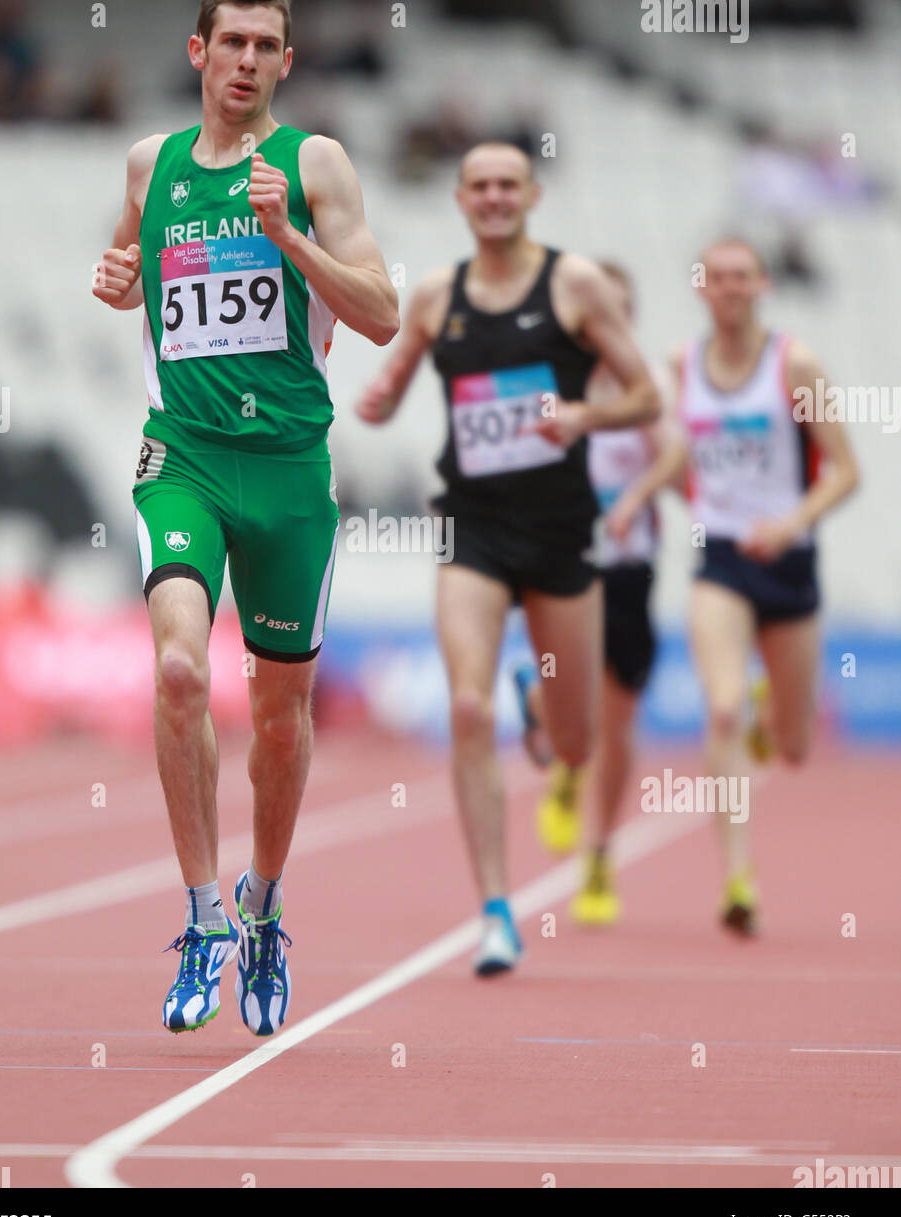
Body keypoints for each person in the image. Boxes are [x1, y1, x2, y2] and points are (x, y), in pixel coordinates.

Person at [93, 0, 398, 1035]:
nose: (247, 63)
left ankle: (262, 905)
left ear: (286, 60)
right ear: (197, 52)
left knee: (279, 718)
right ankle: (200, 915)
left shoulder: (314, 163)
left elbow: (382, 316)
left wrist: (292, 239)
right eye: (231, 44)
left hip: (289, 472)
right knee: (179, 667)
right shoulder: (153, 162)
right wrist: (120, 277)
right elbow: (128, 264)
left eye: (267, 47)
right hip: (180, 454)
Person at [356, 143, 659, 973]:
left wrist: (576, 418)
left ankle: (541, 709)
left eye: (506, 185)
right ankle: (495, 909)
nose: (492, 197)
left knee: (575, 743)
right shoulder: (434, 295)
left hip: (561, 535)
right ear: (459, 199)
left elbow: (647, 396)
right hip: (472, 530)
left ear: (531, 194)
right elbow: (390, 386)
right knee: (463, 708)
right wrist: (378, 401)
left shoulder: (577, 285)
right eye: (478, 186)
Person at [610, 238, 859, 934]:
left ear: (761, 284)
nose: (727, 289)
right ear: (700, 289)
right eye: (715, 278)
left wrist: (789, 523)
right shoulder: (683, 366)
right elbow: (685, 445)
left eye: (739, 277)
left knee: (793, 745)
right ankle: (736, 878)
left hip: (788, 561)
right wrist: (638, 494)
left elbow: (844, 471)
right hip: (718, 557)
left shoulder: (793, 364)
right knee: (720, 715)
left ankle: (768, 703)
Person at [512, 262, 681, 925]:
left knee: (617, 717)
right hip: (565, 564)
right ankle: (541, 715)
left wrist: (634, 497)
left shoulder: (646, 388)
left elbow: (674, 455)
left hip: (630, 565)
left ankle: (599, 854)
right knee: (567, 696)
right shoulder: (551, 386)